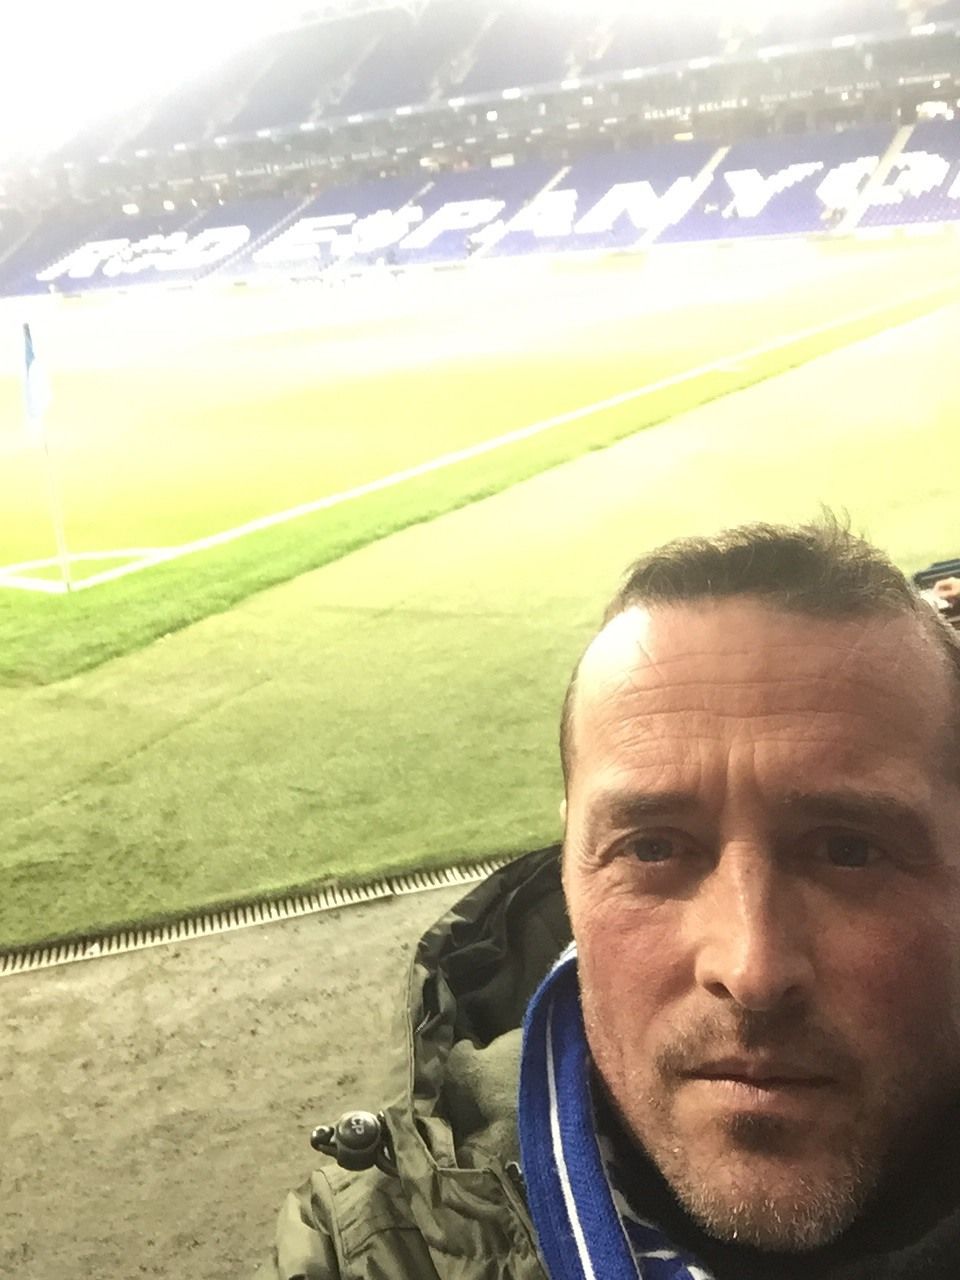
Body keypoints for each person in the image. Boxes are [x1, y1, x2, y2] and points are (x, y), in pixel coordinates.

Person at [265, 514, 960, 1279]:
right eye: (652, 848)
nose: (752, 969)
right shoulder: (374, 1247)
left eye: (848, 852)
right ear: (567, 868)